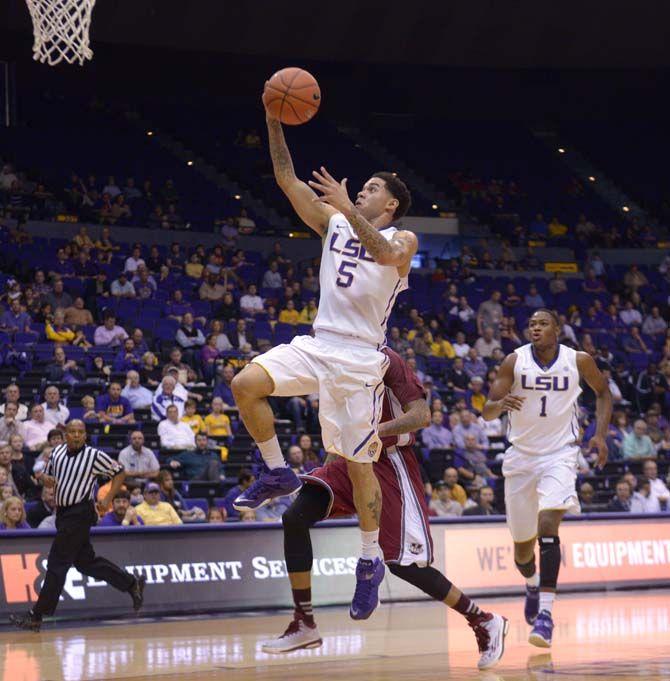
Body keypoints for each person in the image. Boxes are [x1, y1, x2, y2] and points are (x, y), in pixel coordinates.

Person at [232, 106, 420, 618]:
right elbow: (287, 179)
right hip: (319, 343)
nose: (362, 190)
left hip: (361, 360)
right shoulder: (334, 221)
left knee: (359, 465)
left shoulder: (404, 239)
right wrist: (272, 121)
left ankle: (368, 560)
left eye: (372, 188)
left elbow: (382, 254)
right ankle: (276, 472)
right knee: (246, 383)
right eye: (360, 187)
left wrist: (346, 207)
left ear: (393, 203)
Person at [262, 347, 507, 670]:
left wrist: (374, 433)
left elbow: (421, 416)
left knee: (404, 565)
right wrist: (332, 462)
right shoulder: (334, 358)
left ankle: (483, 620)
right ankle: (304, 620)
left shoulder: (389, 360)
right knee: (294, 517)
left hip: (389, 464)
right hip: (347, 462)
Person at [482, 308, 611, 648]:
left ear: (557, 328)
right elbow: (487, 409)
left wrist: (600, 435)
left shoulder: (578, 360)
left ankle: (546, 616)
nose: (535, 328)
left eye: (542, 324)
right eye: (531, 324)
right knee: (522, 554)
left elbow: (603, 392)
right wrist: (500, 405)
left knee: (549, 523)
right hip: (521, 458)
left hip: (561, 454)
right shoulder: (514, 360)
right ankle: (532, 583)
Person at [9, 420, 145, 631]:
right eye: (71, 431)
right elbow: (45, 475)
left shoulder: (93, 455)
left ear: (84, 435)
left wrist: (108, 497)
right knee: (85, 563)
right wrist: (45, 479)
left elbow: (119, 472)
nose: (75, 435)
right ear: (66, 435)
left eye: (80, 432)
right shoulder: (57, 452)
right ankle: (130, 583)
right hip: (62, 513)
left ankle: (36, 615)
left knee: (56, 562)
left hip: (80, 512)